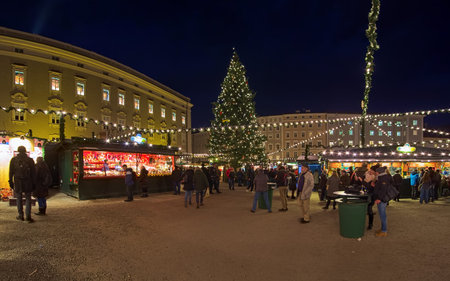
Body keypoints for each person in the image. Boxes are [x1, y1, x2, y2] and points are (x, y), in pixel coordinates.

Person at [9, 146, 36, 223]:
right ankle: (28, 217)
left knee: (19, 198)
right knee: (28, 198)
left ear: (18, 151)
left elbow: (11, 172)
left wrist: (10, 181)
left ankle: (20, 216)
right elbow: (33, 173)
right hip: (28, 181)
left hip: (18, 181)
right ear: (25, 151)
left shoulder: (14, 160)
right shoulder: (30, 160)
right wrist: (34, 183)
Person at [372, 166, 393, 237]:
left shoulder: (383, 178)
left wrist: (379, 199)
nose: (375, 173)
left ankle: (384, 231)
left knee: (382, 215)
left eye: (376, 172)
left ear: (378, 172)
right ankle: (383, 229)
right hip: (381, 199)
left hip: (382, 199)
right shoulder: (382, 177)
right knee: (382, 214)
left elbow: (383, 190)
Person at [364, 164, 379, 230]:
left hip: (372, 195)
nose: (370, 171)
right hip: (371, 194)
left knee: (369, 209)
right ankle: (370, 224)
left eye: (371, 171)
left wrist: (362, 181)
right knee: (369, 209)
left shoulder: (376, 178)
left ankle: (370, 224)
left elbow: (370, 187)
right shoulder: (373, 177)